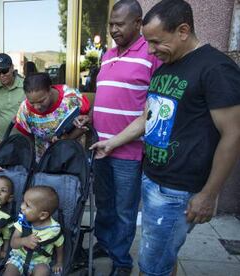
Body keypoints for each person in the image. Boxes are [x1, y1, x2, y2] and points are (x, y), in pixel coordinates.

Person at [90, 0, 240, 275]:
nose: (150, 50)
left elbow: (233, 135)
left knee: (151, 265)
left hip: (179, 188)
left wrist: (209, 193)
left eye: (156, 42)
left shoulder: (215, 68)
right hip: (154, 179)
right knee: (160, 258)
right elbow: (146, 118)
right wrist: (111, 142)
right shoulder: (165, 67)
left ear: (183, 31)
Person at [90, 1, 161, 275]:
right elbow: (108, 94)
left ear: (137, 23)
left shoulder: (150, 53)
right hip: (99, 147)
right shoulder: (107, 55)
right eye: (111, 24)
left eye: (120, 24)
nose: (113, 29)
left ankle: (121, 260)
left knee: (124, 209)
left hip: (128, 152)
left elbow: (151, 109)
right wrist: (91, 117)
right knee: (104, 203)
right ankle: (105, 244)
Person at [15, 72, 90, 161]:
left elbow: (85, 123)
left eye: (41, 101)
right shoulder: (25, 109)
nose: (37, 107)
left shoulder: (71, 97)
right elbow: (27, 136)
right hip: (44, 162)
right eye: (32, 103)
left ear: (50, 89)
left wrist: (67, 139)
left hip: (73, 158)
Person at [3, 186, 64, 276]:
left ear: (42, 215)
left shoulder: (54, 230)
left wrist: (59, 262)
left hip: (40, 262)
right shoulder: (22, 221)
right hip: (19, 258)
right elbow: (13, 243)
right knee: (10, 270)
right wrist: (24, 240)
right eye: (23, 202)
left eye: (27, 205)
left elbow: (60, 245)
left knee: (43, 270)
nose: (22, 207)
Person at [0, 53, 25, 150]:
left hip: (24, 141)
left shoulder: (25, 86)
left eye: (4, 71)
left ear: (12, 68)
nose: (2, 75)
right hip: (3, 141)